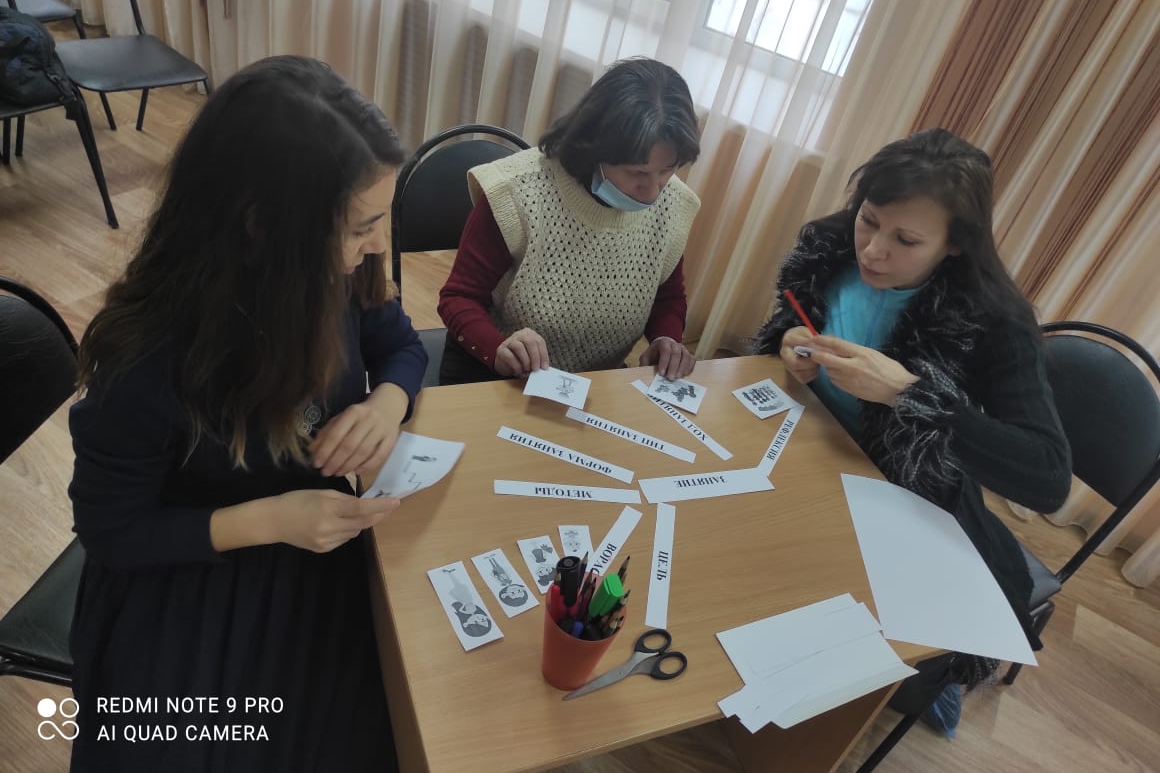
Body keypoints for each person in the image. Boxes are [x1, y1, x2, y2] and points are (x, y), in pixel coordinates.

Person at [67, 56, 427, 773]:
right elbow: (110, 529)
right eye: (361, 226)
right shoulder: (148, 357)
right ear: (262, 227)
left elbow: (401, 345)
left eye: (380, 221)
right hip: (194, 572)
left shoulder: (336, 275)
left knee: (400, 708)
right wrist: (269, 521)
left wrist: (386, 403)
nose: (379, 246)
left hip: (314, 545)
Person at [754, 128, 1071, 723]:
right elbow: (791, 328)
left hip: (903, 495)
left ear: (954, 245)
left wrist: (908, 394)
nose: (873, 251)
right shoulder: (829, 246)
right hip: (807, 455)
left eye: (906, 240)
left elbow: (1049, 477)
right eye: (869, 220)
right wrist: (790, 344)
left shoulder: (993, 321)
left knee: (873, 674)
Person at [437, 57, 702, 384]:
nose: (652, 192)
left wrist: (667, 338)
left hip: (593, 383)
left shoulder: (673, 205)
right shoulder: (517, 193)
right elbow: (458, 299)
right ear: (595, 150)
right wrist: (499, 349)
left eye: (667, 170)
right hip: (497, 374)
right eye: (637, 173)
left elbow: (667, 296)